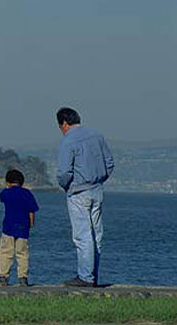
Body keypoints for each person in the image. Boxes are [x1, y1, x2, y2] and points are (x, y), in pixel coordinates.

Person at [56, 107, 114, 287]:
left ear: (64, 123)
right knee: (96, 234)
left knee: (82, 235)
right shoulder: (97, 135)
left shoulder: (68, 141)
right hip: (97, 189)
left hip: (78, 191)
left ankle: (85, 277)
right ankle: (93, 275)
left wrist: (67, 186)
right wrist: (99, 179)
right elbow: (109, 163)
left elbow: (64, 172)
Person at [0, 169, 39, 287]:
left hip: (8, 227)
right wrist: (31, 223)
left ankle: (3, 277)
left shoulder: (6, 193)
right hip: (23, 227)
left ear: (8, 182)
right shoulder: (27, 194)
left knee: (6, 252)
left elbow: (1, 197)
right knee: (22, 253)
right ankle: (22, 277)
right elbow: (32, 211)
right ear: (22, 182)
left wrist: (7, 187)